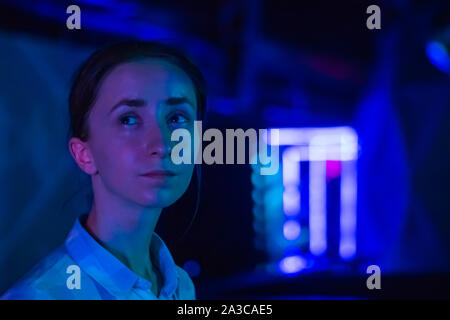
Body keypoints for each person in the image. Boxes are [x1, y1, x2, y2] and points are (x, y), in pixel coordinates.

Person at [1, 40, 206, 300]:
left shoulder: (180, 285)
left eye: (177, 118)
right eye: (128, 119)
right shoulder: (42, 296)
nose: (162, 144)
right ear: (84, 154)